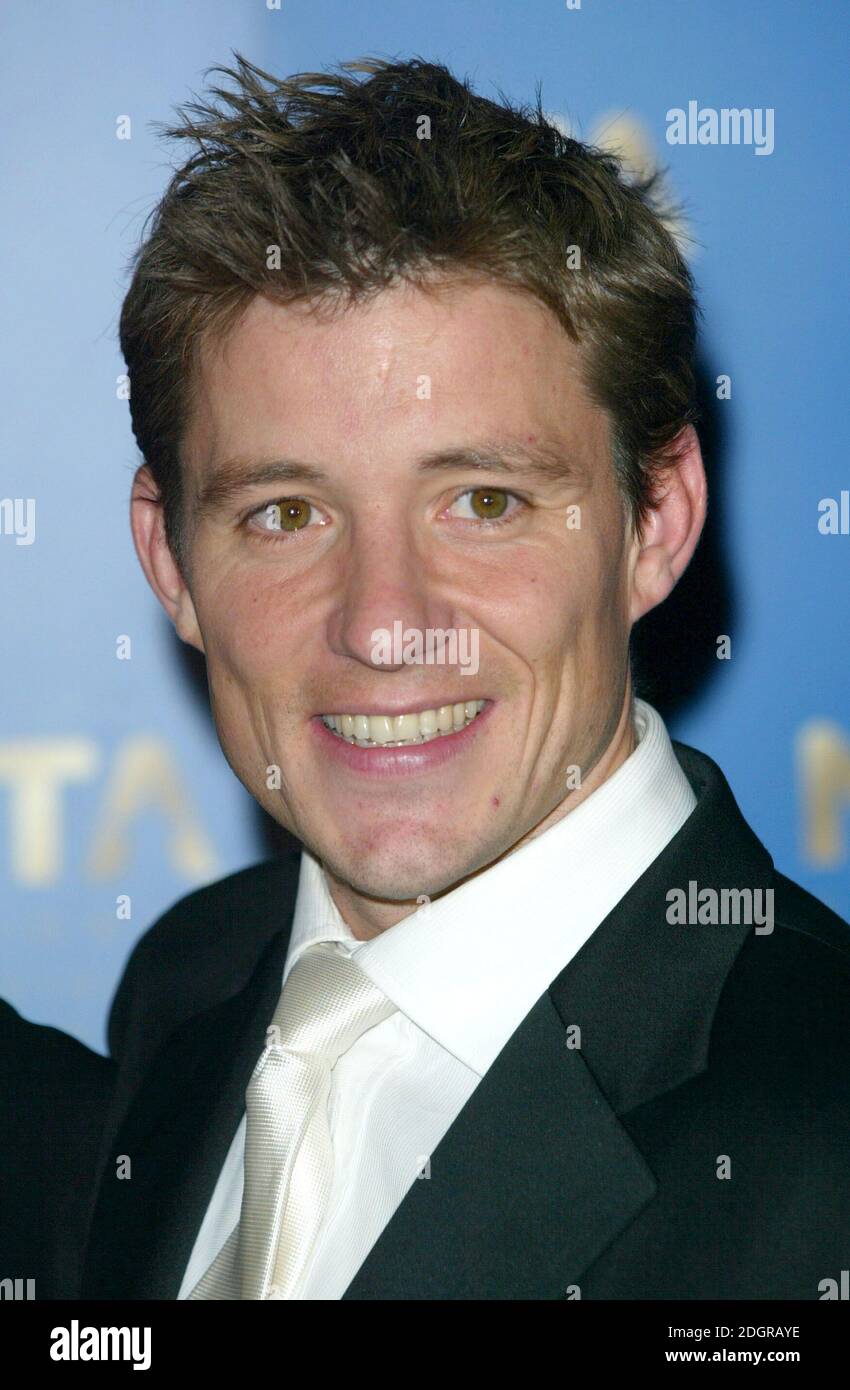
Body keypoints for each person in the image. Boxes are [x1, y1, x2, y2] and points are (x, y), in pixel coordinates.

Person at [34, 53, 850, 1300]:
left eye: (483, 501)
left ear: (658, 519)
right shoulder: (193, 987)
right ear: (170, 559)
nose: (384, 624)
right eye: (285, 513)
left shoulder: (817, 1139)